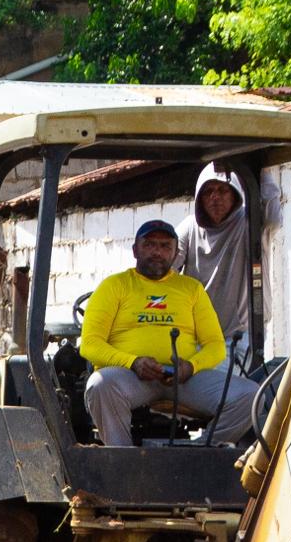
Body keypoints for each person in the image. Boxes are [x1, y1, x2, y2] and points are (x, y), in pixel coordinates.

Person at [80, 219, 257, 448]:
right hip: (132, 377)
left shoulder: (191, 289)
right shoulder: (114, 286)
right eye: (150, 244)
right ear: (135, 250)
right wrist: (133, 362)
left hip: (183, 378)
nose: (157, 252)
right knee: (99, 385)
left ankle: (199, 451)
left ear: (175, 253)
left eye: (165, 246)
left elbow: (215, 345)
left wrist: (191, 367)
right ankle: (122, 458)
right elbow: (90, 345)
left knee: (250, 395)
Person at [180, 163, 258, 369]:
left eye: (223, 190)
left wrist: (261, 167)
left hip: (235, 337)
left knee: (213, 388)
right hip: (194, 337)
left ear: (234, 194)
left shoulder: (247, 222)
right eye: (209, 192)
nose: (216, 197)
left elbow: (273, 215)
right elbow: (164, 263)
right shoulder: (190, 228)